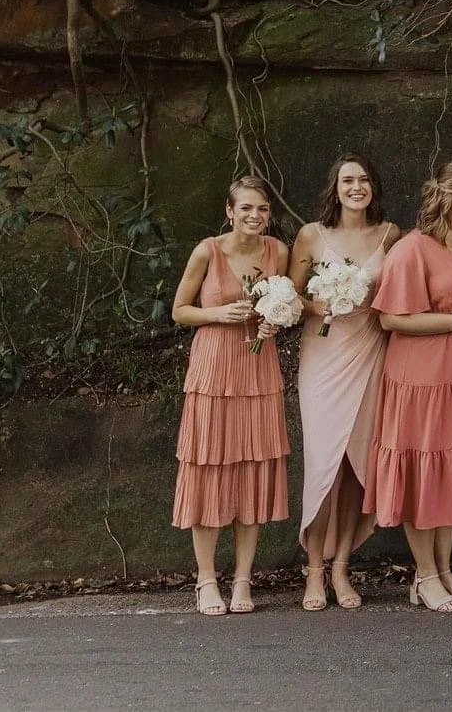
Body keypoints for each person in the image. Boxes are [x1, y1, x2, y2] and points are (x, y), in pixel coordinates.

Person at [365, 161, 452, 614]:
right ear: (444, 200)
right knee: (424, 469)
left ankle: (445, 569)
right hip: (423, 376)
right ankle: (423, 575)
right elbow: (390, 318)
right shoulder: (412, 249)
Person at [170, 174, 291, 617]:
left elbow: (289, 304)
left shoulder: (277, 251)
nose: (254, 216)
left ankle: (243, 579)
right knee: (209, 466)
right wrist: (219, 313)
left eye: (261, 209)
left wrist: (276, 320)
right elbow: (179, 310)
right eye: (246, 209)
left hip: (258, 370)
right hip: (214, 370)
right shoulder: (208, 250)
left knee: (252, 469)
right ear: (230, 211)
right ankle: (205, 580)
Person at [288, 153, 397, 612]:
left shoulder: (391, 235)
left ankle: (341, 567)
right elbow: (293, 295)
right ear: (335, 188)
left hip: (370, 353)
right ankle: (314, 569)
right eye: (348, 180)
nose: (357, 187)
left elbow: (400, 292)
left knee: (357, 463)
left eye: (365, 179)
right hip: (324, 357)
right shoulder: (312, 236)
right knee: (323, 463)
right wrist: (323, 304)